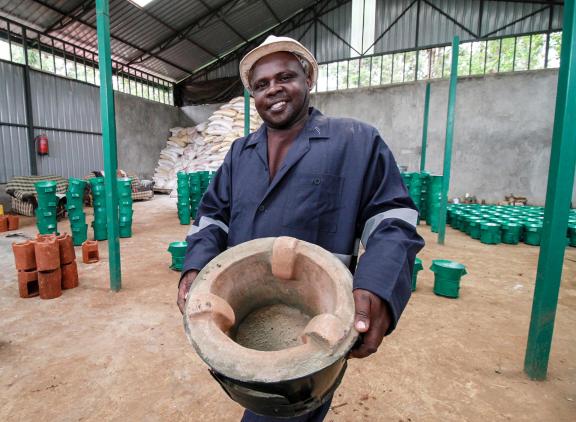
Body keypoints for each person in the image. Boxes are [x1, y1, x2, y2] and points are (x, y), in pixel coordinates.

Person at [177, 35, 424, 422]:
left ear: (308, 79)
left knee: (288, 409)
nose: (273, 89)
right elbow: (212, 216)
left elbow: (392, 219)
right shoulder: (241, 152)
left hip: (316, 324)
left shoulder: (355, 141)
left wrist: (377, 286)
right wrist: (196, 267)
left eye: (285, 76)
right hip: (248, 319)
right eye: (261, 84)